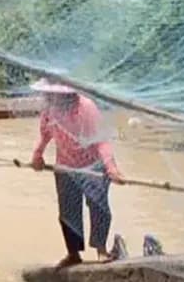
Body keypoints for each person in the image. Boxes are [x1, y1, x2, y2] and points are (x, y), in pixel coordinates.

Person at [29, 78, 126, 267]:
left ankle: (101, 250)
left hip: (93, 166)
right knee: (68, 213)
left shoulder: (86, 108)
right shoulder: (49, 110)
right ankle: (73, 254)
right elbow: (45, 135)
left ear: (66, 94)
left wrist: (111, 168)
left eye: (54, 94)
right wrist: (37, 155)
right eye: (49, 94)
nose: (50, 97)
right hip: (65, 166)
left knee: (99, 208)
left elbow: (101, 141)